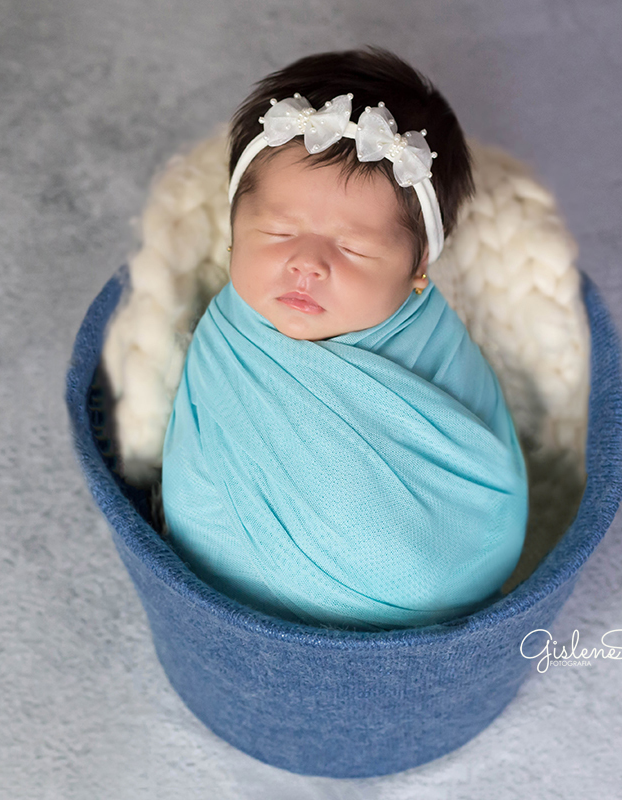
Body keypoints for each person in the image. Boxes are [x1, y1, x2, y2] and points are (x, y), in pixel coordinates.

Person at [160, 47, 529, 631]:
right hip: (231, 572)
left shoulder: (431, 342)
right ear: (233, 232)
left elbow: (472, 482)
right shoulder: (230, 332)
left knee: (429, 567)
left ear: (417, 269)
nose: (306, 263)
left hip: (433, 559)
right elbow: (195, 459)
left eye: (353, 248)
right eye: (278, 231)